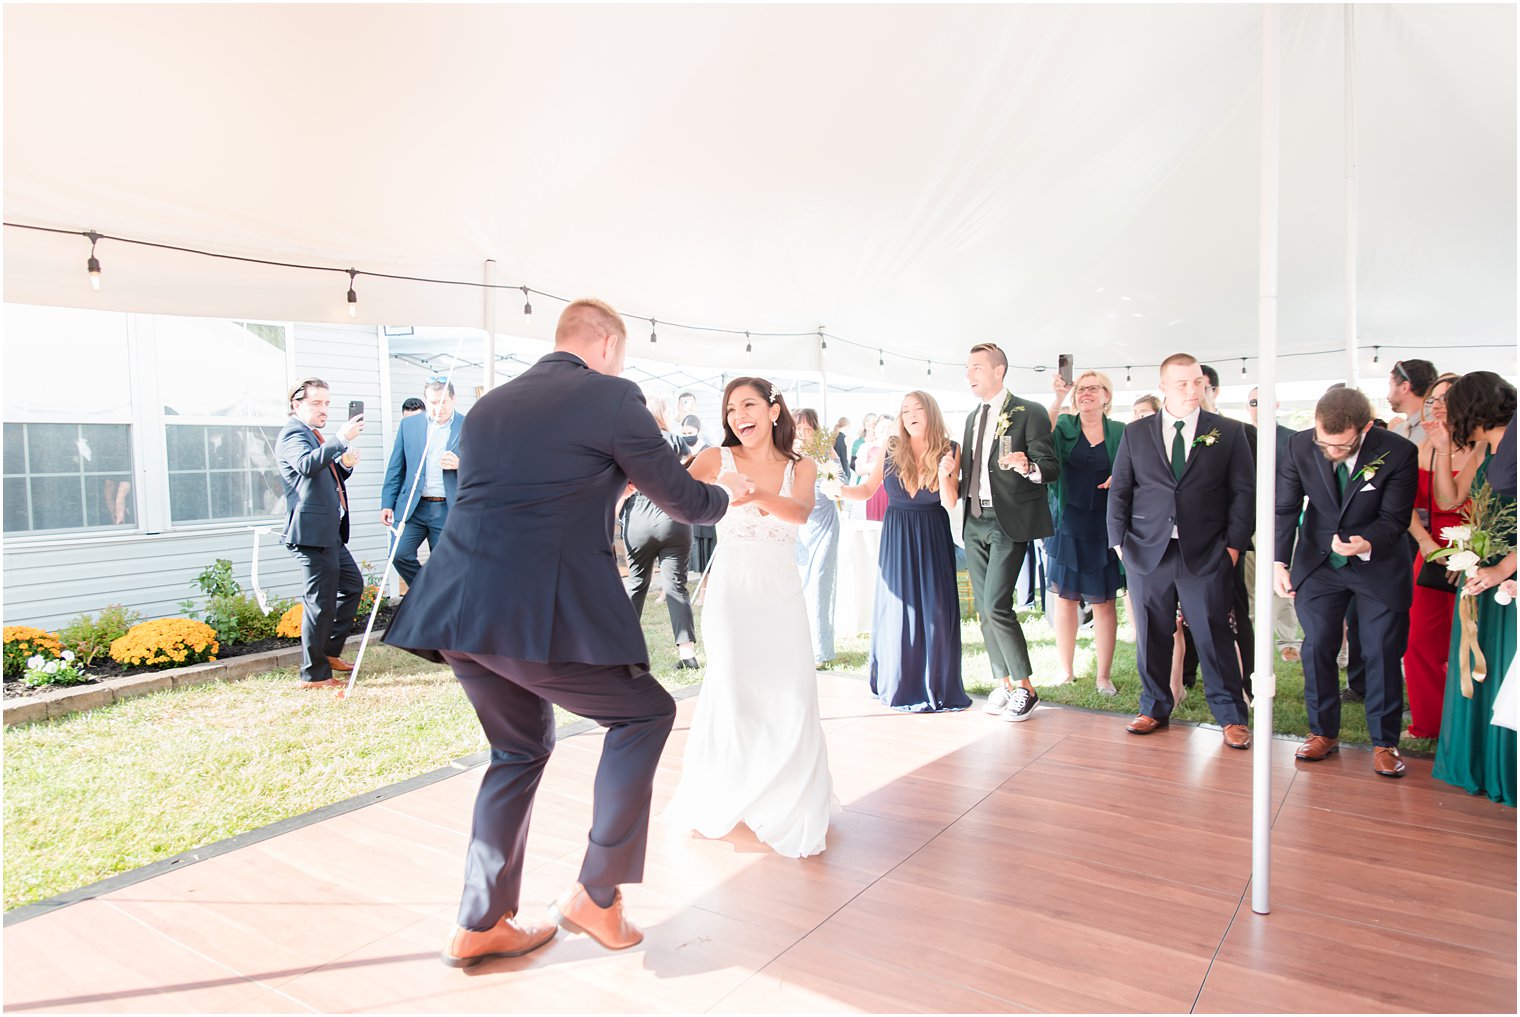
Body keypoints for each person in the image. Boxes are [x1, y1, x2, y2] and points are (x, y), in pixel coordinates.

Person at [384, 299, 749, 966]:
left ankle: (481, 919)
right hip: (530, 611)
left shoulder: (491, 405)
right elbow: (687, 500)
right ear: (607, 343)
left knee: (518, 749)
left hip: (458, 607)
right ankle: (597, 894)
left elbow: (532, 493)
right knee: (646, 712)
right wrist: (729, 487)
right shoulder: (612, 396)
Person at [666, 377, 835, 856]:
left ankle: (789, 798)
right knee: (735, 688)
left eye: (749, 405)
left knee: (790, 693)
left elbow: (800, 513)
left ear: (774, 410)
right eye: (731, 408)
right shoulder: (716, 459)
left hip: (781, 594)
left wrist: (751, 494)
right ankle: (729, 794)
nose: (739, 415)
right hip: (733, 593)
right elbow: (675, 491)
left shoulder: (801, 465)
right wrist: (718, 490)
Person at [1107, 353, 1253, 749]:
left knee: (1213, 632)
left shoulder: (1229, 432)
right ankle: (1154, 706)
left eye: (1198, 382)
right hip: (1146, 552)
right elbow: (1120, 489)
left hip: (1206, 553)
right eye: (1183, 384)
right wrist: (1118, 543)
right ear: (1164, 388)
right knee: (1153, 633)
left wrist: (1234, 548)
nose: (1193, 390)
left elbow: (1243, 495)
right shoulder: (1136, 433)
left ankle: (1230, 715)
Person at [1274, 386, 1418, 777]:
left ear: (1366, 428)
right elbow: (1286, 507)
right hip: (1319, 564)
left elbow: (1395, 519)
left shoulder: (1399, 451)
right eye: (1324, 441)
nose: (1331, 451)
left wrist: (1366, 542)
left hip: (1377, 563)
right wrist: (1277, 561)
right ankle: (1323, 732)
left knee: (1380, 652)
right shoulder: (1300, 446)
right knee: (1317, 646)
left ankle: (1385, 742)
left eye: (1342, 446)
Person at [842, 390, 969, 712]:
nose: (911, 414)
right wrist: (837, 489)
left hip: (933, 533)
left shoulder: (950, 448)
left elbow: (951, 501)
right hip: (897, 532)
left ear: (931, 413)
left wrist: (944, 474)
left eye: (918, 408)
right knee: (898, 607)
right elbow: (868, 489)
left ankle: (936, 683)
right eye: (906, 409)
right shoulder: (892, 446)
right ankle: (898, 682)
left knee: (936, 609)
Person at [1431, 371, 1516, 806]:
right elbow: (1448, 501)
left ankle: (1506, 767)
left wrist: (1503, 567)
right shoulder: (1486, 447)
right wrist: (1444, 451)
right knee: (1477, 663)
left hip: (1509, 576)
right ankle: (1479, 761)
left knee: (1506, 672)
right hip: (1482, 571)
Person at [962, 343, 1059, 721]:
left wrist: (1027, 464)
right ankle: (1002, 683)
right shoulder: (972, 417)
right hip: (973, 520)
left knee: (996, 605)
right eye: (967, 369)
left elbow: (1050, 467)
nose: (969, 375)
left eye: (976, 368)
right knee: (984, 613)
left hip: (1008, 521)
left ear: (999, 371)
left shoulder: (1028, 412)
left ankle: (1026, 687)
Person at [275, 378, 365, 688]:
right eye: (317, 403)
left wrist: (345, 465)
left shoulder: (313, 435)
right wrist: (340, 439)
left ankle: (328, 652)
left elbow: (322, 472)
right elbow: (305, 466)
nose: (324, 408)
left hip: (330, 532)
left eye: (327, 403)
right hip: (311, 534)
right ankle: (313, 675)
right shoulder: (293, 434)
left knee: (353, 587)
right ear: (297, 405)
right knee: (319, 603)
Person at [1046, 371, 1126, 695]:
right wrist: (1058, 397)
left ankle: (1103, 676)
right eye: (1081, 389)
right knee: (1066, 600)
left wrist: (1120, 479)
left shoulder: (1122, 431)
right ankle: (1066, 671)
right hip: (1069, 522)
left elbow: (1135, 467)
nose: (1086, 393)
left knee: (1104, 602)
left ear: (1107, 396)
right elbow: (1040, 435)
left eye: (1094, 388)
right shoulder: (1064, 426)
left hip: (1106, 526)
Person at [1403, 375, 1473, 739]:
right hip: (1431, 552)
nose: (1439, 405)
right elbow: (1406, 504)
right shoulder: (1423, 447)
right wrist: (1427, 544)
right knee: (1419, 641)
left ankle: (1469, 722)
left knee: (1468, 639)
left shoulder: (1482, 446)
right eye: (1434, 399)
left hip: (1476, 553)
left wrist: (1471, 551)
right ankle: (1428, 723)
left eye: (1447, 398)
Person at [619, 392, 700, 670]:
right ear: (663, 414)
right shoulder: (676, 441)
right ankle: (687, 654)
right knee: (676, 586)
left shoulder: (629, 443)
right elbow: (693, 468)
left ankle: (621, 653)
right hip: (673, 519)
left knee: (636, 584)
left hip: (638, 518)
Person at [380, 378, 466, 587]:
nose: (439, 408)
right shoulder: (409, 425)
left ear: (453, 399)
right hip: (413, 506)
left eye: (443, 402)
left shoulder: (468, 425)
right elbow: (396, 466)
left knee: (444, 565)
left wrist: (461, 464)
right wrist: (387, 503)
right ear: (426, 401)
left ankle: (436, 609)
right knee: (398, 554)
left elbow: (486, 467)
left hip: (447, 507)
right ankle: (424, 592)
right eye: (433, 402)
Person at [1247, 386, 1302, 661]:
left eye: (1264, 401)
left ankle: (1288, 641)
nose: (1258, 406)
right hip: (1247, 521)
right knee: (1248, 585)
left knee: (1280, 582)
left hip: (1281, 523)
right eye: (1253, 402)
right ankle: (1250, 638)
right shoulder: (1241, 436)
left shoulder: (1292, 440)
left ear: (1277, 404)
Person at [795, 408, 842, 664]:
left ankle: (821, 650)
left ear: (816, 431)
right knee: (799, 585)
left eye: (808, 429)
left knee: (820, 585)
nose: (803, 434)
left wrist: (831, 485)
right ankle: (799, 644)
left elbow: (841, 484)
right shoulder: (788, 456)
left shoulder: (826, 455)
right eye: (798, 429)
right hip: (798, 528)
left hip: (824, 526)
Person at [1387, 358, 1439, 445]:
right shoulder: (1398, 430)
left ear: (1404, 387)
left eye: (1390, 385)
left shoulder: (1437, 428)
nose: (1387, 396)